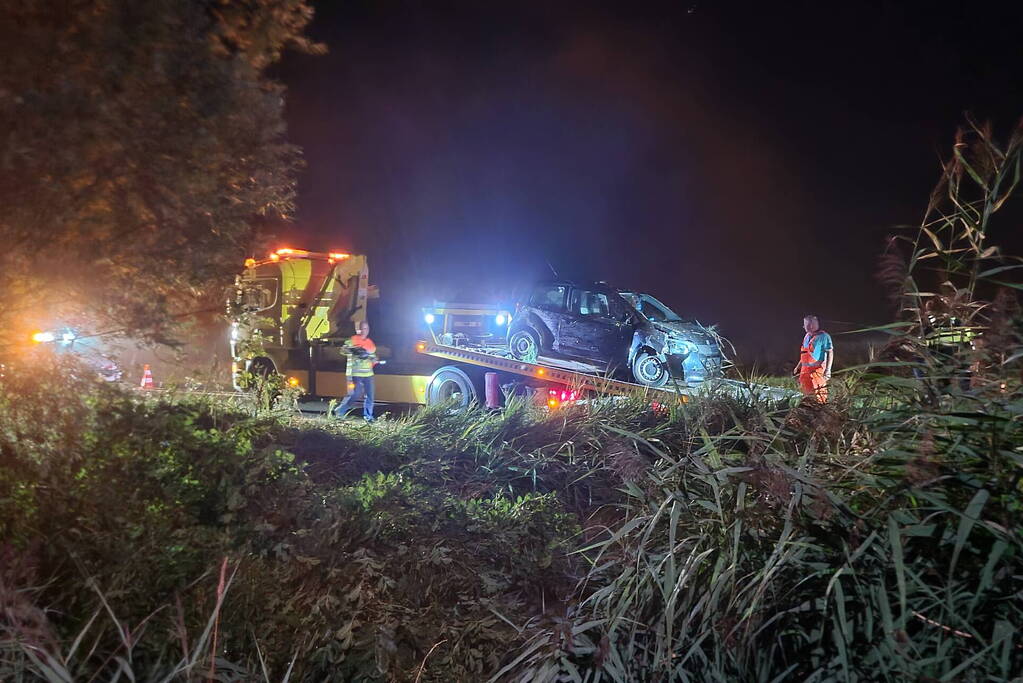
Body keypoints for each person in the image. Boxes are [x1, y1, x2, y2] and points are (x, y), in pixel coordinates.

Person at [333, 321, 377, 421]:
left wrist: (374, 359)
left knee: (370, 396)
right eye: (363, 328)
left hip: (368, 373)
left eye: (367, 329)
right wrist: (354, 350)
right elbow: (343, 350)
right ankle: (340, 410)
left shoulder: (370, 343)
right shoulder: (352, 340)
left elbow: (372, 356)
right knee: (355, 394)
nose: (365, 331)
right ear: (359, 329)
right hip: (355, 373)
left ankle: (368, 416)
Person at [793, 314, 834, 403]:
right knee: (806, 394)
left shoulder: (824, 336)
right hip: (805, 371)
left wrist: (828, 370)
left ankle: (822, 409)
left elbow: (830, 352)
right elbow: (805, 354)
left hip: (817, 371)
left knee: (819, 392)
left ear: (813, 325)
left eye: (807, 325)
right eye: (805, 325)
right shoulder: (807, 336)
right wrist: (798, 366)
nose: (805, 327)